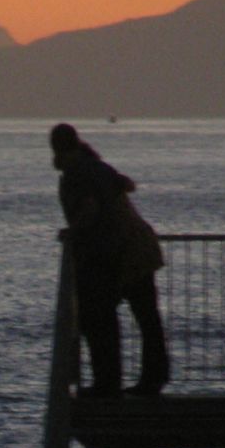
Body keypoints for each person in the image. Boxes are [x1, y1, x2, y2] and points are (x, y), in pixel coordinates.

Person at [49, 122, 168, 398]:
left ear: (57, 149)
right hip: (135, 246)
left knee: (101, 318)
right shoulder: (95, 165)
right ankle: (150, 379)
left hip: (126, 251)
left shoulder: (79, 172)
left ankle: (110, 382)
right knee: (144, 317)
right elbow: (126, 184)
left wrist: (72, 231)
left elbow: (91, 209)